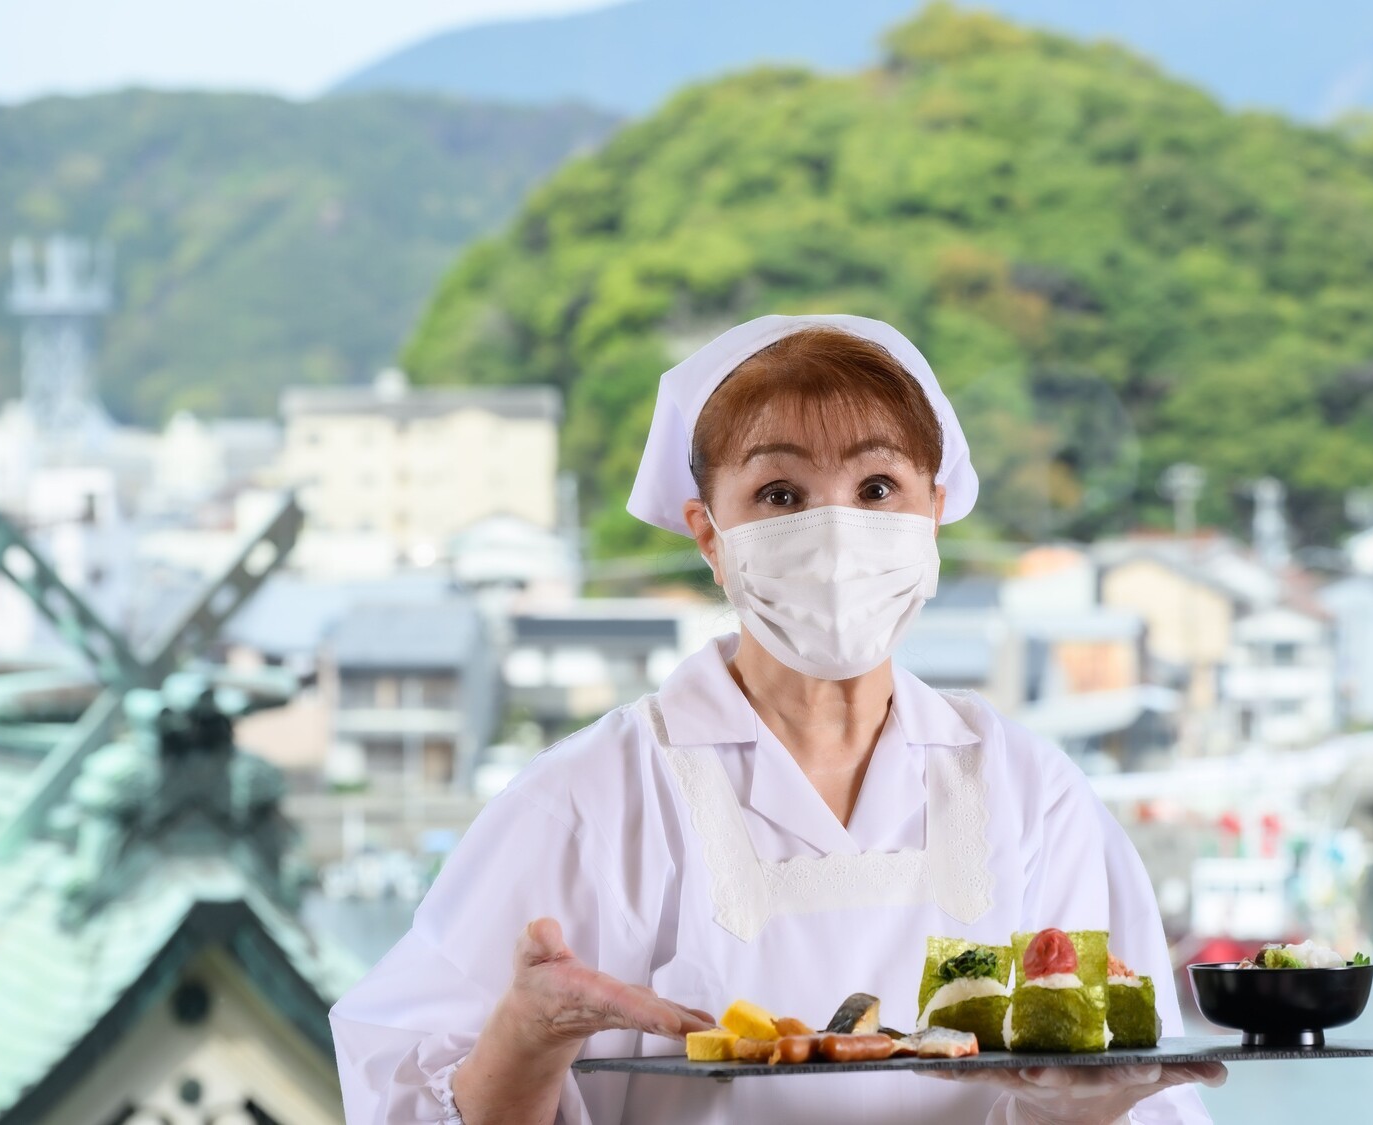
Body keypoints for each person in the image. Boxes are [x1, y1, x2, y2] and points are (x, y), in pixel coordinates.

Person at [330, 315, 1223, 1124]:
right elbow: (403, 1101)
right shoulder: (589, 799)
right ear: (709, 534)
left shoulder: (1028, 793)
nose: (836, 535)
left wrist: (1090, 1107)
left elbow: (1139, 1100)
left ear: (934, 514)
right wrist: (526, 1035)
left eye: (877, 488)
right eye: (781, 495)